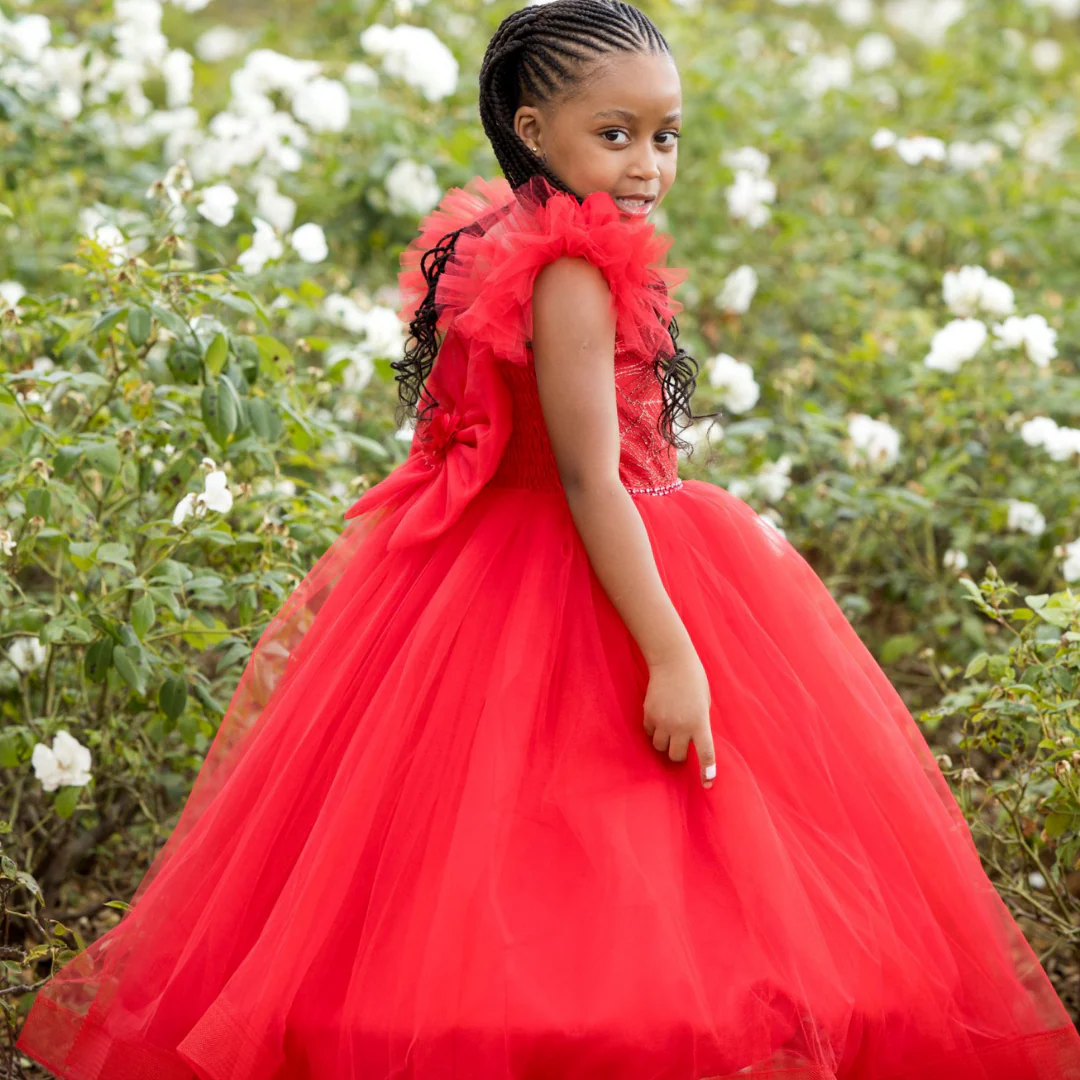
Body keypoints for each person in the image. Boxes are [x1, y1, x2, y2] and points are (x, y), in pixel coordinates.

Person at [17, 1, 1080, 1077]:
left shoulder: (503, 245)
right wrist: (671, 651)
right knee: (610, 858)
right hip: (585, 561)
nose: (646, 163)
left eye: (665, 136)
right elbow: (586, 477)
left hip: (502, 564)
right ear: (532, 130)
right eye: (612, 135)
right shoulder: (570, 268)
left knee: (524, 854)